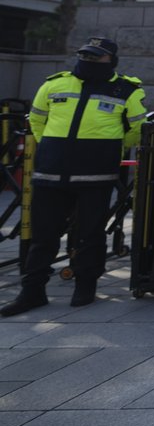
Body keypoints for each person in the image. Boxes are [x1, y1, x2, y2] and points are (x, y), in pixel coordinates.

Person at [1, 37, 146, 316]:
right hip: (51, 172)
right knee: (43, 236)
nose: (89, 62)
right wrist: (54, 149)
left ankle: (85, 286)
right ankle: (32, 291)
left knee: (90, 234)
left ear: (111, 61)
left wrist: (108, 148)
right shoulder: (54, 84)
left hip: (96, 175)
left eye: (96, 57)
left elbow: (137, 130)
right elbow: (37, 121)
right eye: (86, 56)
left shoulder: (126, 90)